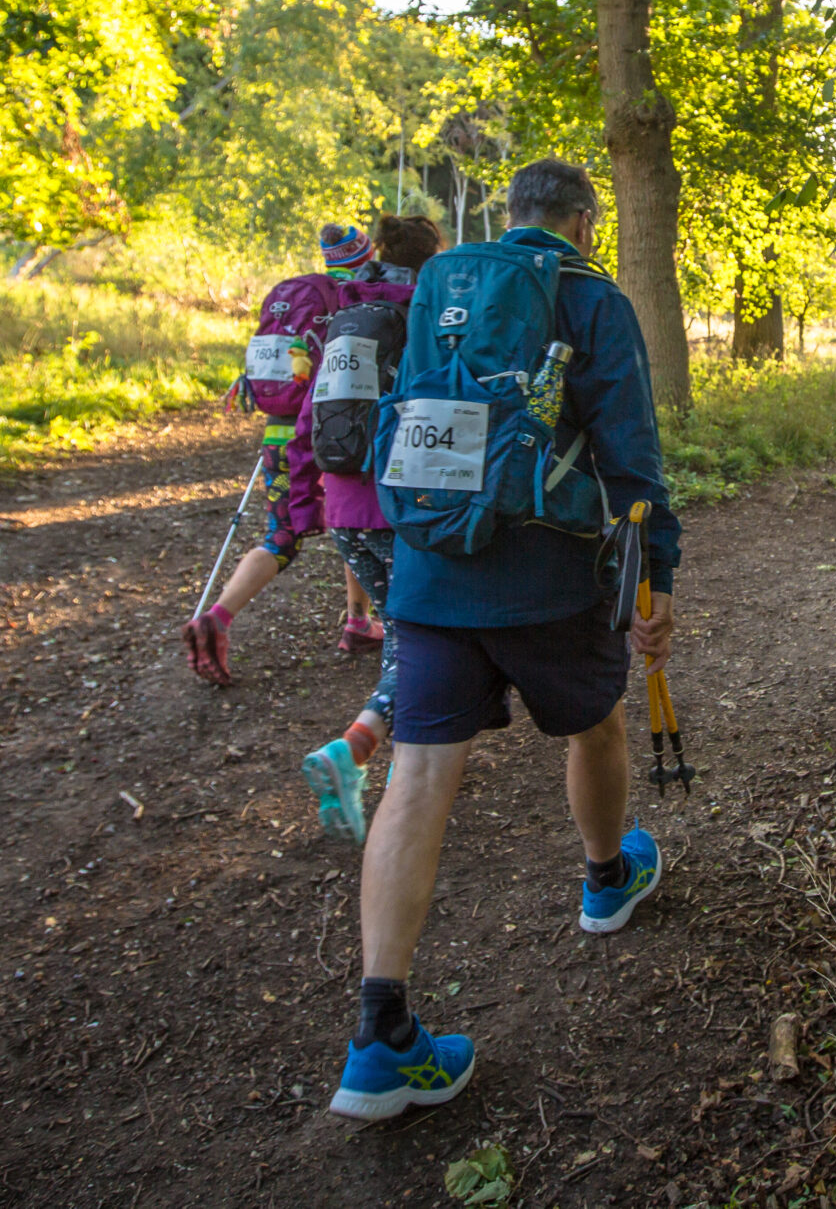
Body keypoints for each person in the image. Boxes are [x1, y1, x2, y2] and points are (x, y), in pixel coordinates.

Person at [328, 159, 678, 1122]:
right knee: (595, 724)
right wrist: (659, 581)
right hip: (549, 576)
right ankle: (607, 881)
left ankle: (379, 1037)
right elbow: (631, 457)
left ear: (510, 215)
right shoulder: (588, 292)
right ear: (584, 220)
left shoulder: (444, 282)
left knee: (417, 778)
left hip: (429, 571)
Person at [182, 222, 383, 685]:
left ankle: (223, 614)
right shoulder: (353, 302)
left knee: (281, 535)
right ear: (365, 257)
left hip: (278, 435)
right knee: (353, 523)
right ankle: (357, 621)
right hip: (329, 437)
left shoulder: (295, 300)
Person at [298, 213, 445, 844]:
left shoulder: (345, 320)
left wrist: (308, 502)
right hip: (397, 510)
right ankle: (359, 752)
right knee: (418, 639)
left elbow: (311, 420)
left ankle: (379, 759)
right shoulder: (423, 316)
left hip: (344, 513)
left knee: (402, 634)